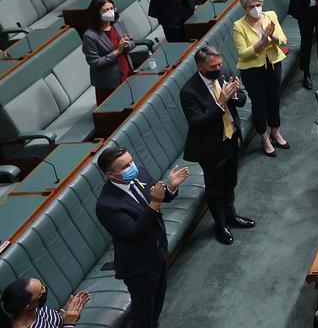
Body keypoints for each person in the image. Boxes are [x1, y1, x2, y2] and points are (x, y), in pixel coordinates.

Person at [95, 146, 188, 328]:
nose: (132, 167)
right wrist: (155, 202)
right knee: (143, 312)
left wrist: (171, 187)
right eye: (125, 166)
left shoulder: (140, 174)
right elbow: (134, 233)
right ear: (111, 175)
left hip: (158, 251)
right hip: (139, 266)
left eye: (131, 161)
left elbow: (159, 196)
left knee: (158, 301)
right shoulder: (107, 205)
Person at [180, 45, 254, 245]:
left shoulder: (224, 73)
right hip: (210, 147)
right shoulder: (189, 91)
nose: (219, 68)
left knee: (231, 181)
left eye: (220, 64)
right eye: (213, 66)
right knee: (214, 189)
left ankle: (231, 215)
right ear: (200, 67)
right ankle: (220, 225)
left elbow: (242, 100)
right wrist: (221, 101)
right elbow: (198, 122)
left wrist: (236, 94)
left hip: (230, 138)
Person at [232, 0, 289, 158]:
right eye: (251, 6)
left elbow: (283, 40)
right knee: (259, 104)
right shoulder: (238, 26)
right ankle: (264, 137)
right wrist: (261, 43)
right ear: (244, 7)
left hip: (273, 64)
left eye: (258, 5)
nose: (256, 9)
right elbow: (243, 54)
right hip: (252, 71)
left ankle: (275, 131)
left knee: (274, 99)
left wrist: (272, 37)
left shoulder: (270, 16)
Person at [82, 0, 135, 104]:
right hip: (108, 83)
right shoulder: (90, 36)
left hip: (126, 71)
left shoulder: (118, 23)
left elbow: (132, 41)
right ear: (96, 13)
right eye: (106, 10)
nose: (110, 12)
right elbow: (94, 62)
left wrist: (127, 44)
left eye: (112, 8)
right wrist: (117, 52)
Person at [0, 277, 89, 328]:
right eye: (41, 291)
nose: (45, 289)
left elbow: (59, 322)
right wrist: (69, 323)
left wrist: (72, 310)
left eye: (42, 286)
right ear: (28, 306)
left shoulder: (36, 309)